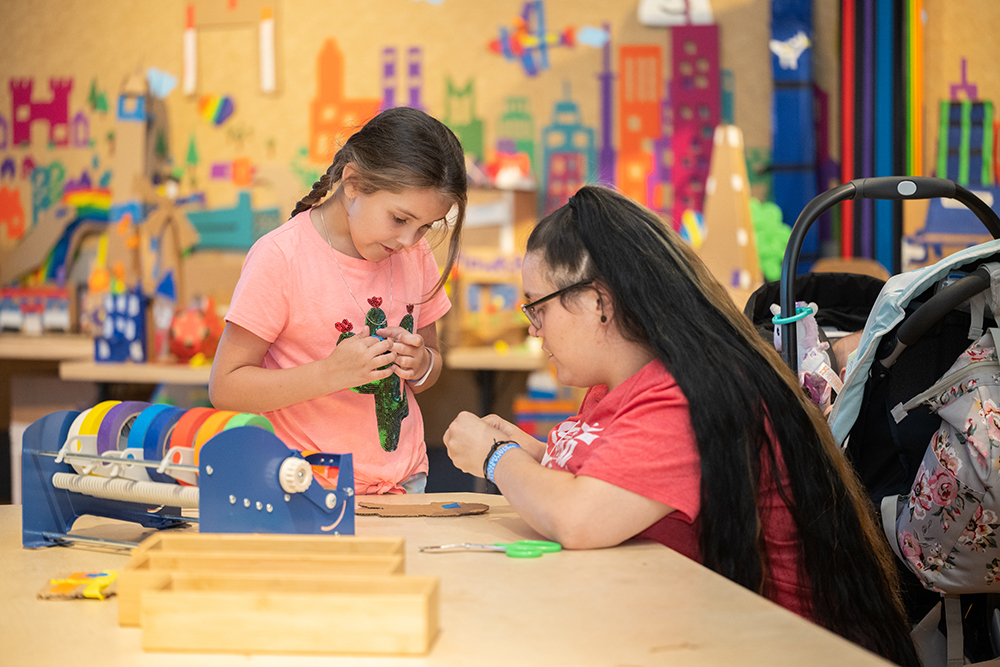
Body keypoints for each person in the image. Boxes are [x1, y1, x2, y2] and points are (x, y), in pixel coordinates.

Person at [442, 185, 920, 665]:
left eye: (538, 307)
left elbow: (580, 517)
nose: (533, 328)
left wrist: (495, 457)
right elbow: (612, 482)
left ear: (599, 302)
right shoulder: (619, 383)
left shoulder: (687, 393)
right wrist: (535, 453)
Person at [210, 107, 466, 495]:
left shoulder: (415, 256)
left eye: (425, 227)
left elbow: (430, 370)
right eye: (400, 219)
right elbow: (225, 389)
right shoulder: (281, 257)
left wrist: (422, 364)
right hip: (304, 484)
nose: (410, 241)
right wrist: (332, 373)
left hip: (405, 480)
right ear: (353, 183)